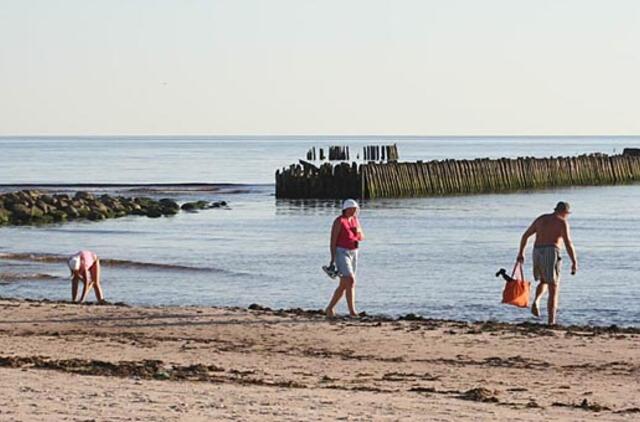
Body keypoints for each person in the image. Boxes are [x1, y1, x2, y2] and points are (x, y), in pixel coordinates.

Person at [516, 202, 578, 325]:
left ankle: (537, 300)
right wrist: (574, 261)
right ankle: (551, 321)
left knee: (544, 280)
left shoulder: (541, 219)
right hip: (551, 251)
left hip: (537, 251)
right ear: (564, 212)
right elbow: (568, 243)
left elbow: (525, 236)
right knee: (554, 287)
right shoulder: (561, 222)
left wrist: (521, 253)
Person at [325, 199, 365, 318]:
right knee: (350, 280)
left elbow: (361, 236)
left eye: (355, 209)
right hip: (341, 251)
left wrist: (357, 234)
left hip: (354, 251)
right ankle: (352, 311)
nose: (354, 211)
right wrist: (332, 259)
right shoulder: (339, 221)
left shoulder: (355, 220)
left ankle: (330, 308)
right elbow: (333, 241)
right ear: (346, 209)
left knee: (345, 284)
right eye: (352, 209)